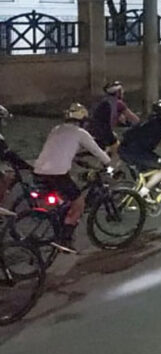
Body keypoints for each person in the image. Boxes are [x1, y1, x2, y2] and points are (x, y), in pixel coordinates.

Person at [32, 103, 112, 252]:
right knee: (79, 203)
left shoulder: (56, 129)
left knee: (59, 200)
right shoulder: (80, 133)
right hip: (58, 173)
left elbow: (60, 150)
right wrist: (109, 163)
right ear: (82, 121)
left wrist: (76, 159)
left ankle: (53, 224)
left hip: (38, 171)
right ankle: (65, 240)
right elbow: (97, 152)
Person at [86, 80, 140, 154]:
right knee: (119, 151)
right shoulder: (118, 103)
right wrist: (141, 124)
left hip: (93, 129)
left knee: (113, 139)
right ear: (118, 92)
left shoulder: (104, 101)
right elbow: (133, 118)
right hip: (104, 131)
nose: (123, 92)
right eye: (121, 90)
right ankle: (112, 161)